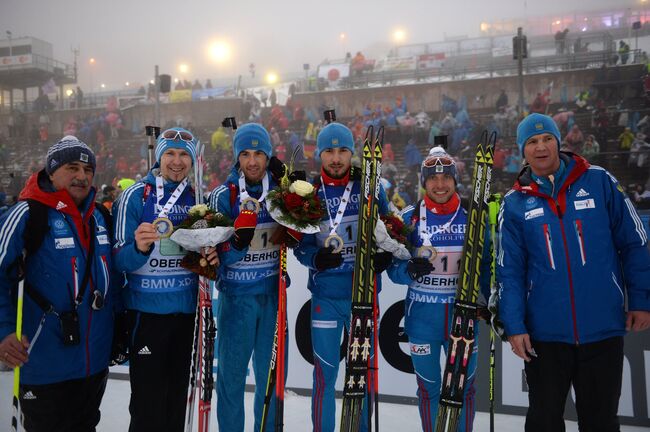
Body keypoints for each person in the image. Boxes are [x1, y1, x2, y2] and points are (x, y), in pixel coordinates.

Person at [497, 113, 650, 431]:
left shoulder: (599, 181)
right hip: (545, 335)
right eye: (533, 142)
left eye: (547, 139)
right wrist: (513, 325)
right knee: (544, 420)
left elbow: (634, 243)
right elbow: (509, 270)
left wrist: (641, 300)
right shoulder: (514, 204)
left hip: (602, 328)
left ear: (559, 141)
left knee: (600, 421)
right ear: (522, 151)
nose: (541, 147)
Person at [0, 136, 118, 431]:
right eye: (72, 167)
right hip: (43, 363)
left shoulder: (101, 216)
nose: (82, 176)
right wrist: (2, 333)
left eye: (88, 169)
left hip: (93, 363)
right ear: (51, 172)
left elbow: (114, 279)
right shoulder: (28, 215)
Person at [112, 127, 218, 432]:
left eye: (184, 154)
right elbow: (119, 260)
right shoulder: (136, 195)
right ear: (159, 156)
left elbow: (206, 262)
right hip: (147, 315)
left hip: (187, 315)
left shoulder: (199, 199)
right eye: (170, 153)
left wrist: (211, 260)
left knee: (175, 403)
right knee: (148, 406)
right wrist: (140, 247)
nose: (177, 161)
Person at [293, 122, 391, 432]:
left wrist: (383, 256)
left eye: (343, 151)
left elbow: (390, 231)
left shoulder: (370, 187)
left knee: (360, 372)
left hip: (362, 295)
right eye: (329, 151)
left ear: (352, 153)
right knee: (325, 374)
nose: (336, 158)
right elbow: (300, 247)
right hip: (326, 297)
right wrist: (313, 257)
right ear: (319, 155)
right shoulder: (308, 194)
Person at [387, 146, 490, 431]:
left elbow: (486, 263)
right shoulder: (409, 218)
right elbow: (391, 269)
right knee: (429, 390)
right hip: (423, 322)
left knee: (464, 391)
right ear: (424, 181)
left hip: (464, 318)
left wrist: (490, 302)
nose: (440, 184)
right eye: (433, 178)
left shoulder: (472, 215)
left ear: (455, 180)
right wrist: (407, 270)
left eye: (446, 178)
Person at [207, 122, 288, 432]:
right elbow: (215, 257)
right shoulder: (223, 195)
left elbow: (304, 232)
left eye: (259, 153)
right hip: (236, 299)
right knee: (231, 380)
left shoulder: (281, 193)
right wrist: (238, 244)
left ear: (268, 156)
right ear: (236, 158)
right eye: (245, 154)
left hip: (272, 299)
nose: (252, 161)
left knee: (271, 378)